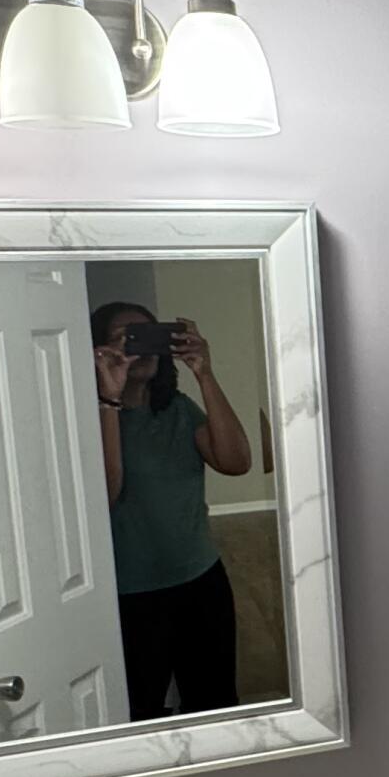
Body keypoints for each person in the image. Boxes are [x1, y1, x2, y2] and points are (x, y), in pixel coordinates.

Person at [92, 298, 253, 719]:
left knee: (216, 702)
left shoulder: (178, 410)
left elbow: (237, 462)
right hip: (131, 594)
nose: (140, 350)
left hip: (202, 580)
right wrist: (108, 402)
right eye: (125, 340)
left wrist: (204, 373)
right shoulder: (88, 420)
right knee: (138, 711)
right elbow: (103, 496)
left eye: (149, 337)